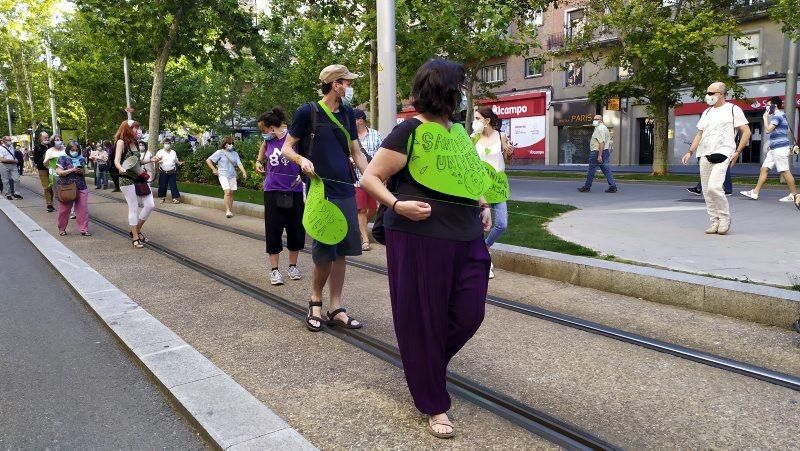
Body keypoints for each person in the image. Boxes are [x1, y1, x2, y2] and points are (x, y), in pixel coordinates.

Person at [361, 59, 493, 439]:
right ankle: (434, 402)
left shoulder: (455, 132)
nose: (465, 95)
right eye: (461, 87)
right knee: (422, 317)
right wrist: (396, 204)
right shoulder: (408, 131)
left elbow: (465, 176)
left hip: (466, 234)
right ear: (447, 91)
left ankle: (425, 364)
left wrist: (481, 203)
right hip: (419, 237)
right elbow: (371, 177)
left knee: (469, 313)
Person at [280, 64, 369, 333]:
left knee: (341, 250)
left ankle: (336, 307)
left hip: (344, 190)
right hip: (321, 191)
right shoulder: (308, 111)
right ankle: (315, 302)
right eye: (347, 82)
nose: (350, 87)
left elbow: (356, 152)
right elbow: (286, 147)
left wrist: (373, 178)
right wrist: (301, 159)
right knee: (324, 251)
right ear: (335, 84)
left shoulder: (348, 114)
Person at [681, 82, 750, 235]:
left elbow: (746, 131)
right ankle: (714, 221)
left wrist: (737, 152)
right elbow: (699, 134)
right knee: (706, 190)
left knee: (714, 187)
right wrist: (690, 152)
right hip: (704, 153)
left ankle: (724, 219)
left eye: (710, 93)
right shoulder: (707, 112)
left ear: (720, 94)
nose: (707, 96)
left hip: (724, 152)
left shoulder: (733, 109)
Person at [256, 107, 305, 285]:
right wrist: (258, 161)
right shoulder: (268, 141)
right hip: (272, 190)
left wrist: (303, 172)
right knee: (273, 230)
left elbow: (304, 156)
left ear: (271, 128)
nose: (263, 134)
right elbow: (263, 147)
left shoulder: (292, 138)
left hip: (295, 189)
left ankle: (293, 266)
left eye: (263, 130)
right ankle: (275, 270)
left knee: (296, 229)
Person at [473, 105, 514, 279]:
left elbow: (508, 160)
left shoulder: (501, 135)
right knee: (480, 226)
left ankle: (485, 247)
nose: (475, 122)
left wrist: (510, 154)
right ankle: (485, 261)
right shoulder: (473, 138)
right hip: (480, 187)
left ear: (487, 120)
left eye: (477, 119)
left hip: (498, 184)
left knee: (502, 224)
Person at [740, 97, 797, 202]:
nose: (766, 107)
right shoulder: (782, 115)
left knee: (785, 171)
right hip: (775, 148)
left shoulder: (777, 116)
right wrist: (774, 140)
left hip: (779, 149)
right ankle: (755, 192)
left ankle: (794, 195)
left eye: (768, 105)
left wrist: (765, 118)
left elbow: (767, 130)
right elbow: (788, 130)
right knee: (764, 169)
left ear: (774, 106)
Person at [113, 120, 155, 249]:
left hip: (139, 177)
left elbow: (137, 162)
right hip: (126, 179)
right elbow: (116, 160)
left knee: (150, 205)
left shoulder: (135, 143)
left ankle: (135, 230)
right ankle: (136, 237)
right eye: (135, 128)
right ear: (127, 129)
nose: (138, 130)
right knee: (134, 207)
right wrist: (120, 168)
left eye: (138, 128)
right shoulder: (121, 142)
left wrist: (150, 159)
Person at [354, 108, 382, 251]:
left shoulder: (375, 135)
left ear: (361, 120)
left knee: (374, 207)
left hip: (374, 178)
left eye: (356, 119)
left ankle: (362, 228)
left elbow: (382, 153)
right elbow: (348, 153)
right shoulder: (352, 138)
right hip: (357, 179)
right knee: (361, 209)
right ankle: (365, 239)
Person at [206, 136, 247, 218]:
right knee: (227, 191)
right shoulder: (220, 152)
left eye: (232, 143)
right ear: (225, 144)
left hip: (232, 175)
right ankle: (227, 210)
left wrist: (244, 172)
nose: (231, 145)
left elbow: (239, 163)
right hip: (223, 175)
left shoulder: (235, 153)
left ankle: (230, 210)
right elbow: (208, 160)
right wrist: (214, 169)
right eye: (230, 143)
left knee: (231, 193)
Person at [55, 142, 91, 236]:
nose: (74, 152)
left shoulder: (82, 158)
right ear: (68, 150)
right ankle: (61, 228)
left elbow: (85, 172)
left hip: (81, 186)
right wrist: (71, 170)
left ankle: (84, 229)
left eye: (76, 150)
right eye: (72, 150)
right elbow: (59, 172)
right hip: (66, 187)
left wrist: (81, 171)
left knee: (83, 209)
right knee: (64, 210)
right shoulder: (63, 158)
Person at [578, 115, 617, 193]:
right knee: (607, 170)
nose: (594, 120)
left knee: (591, 170)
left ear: (601, 120)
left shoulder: (600, 129)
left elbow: (601, 142)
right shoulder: (604, 127)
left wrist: (599, 155)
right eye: (594, 119)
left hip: (597, 152)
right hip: (604, 152)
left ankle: (587, 187)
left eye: (596, 119)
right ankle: (613, 187)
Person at [155, 137, 182, 203]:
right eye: (165, 143)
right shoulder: (160, 152)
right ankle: (162, 198)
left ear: (170, 144)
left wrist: (179, 163)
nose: (167, 145)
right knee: (163, 185)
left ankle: (175, 198)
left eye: (168, 143)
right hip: (163, 171)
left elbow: (175, 160)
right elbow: (156, 160)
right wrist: (159, 161)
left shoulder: (173, 152)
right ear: (163, 144)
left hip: (172, 171)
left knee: (173, 185)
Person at [32, 132, 54, 211]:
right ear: (40, 138)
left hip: (52, 169)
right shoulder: (37, 147)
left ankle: (51, 201)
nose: (47, 139)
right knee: (46, 187)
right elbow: (36, 160)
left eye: (48, 137)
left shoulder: (51, 146)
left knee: (52, 187)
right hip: (42, 169)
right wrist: (46, 160)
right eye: (45, 137)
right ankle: (49, 204)